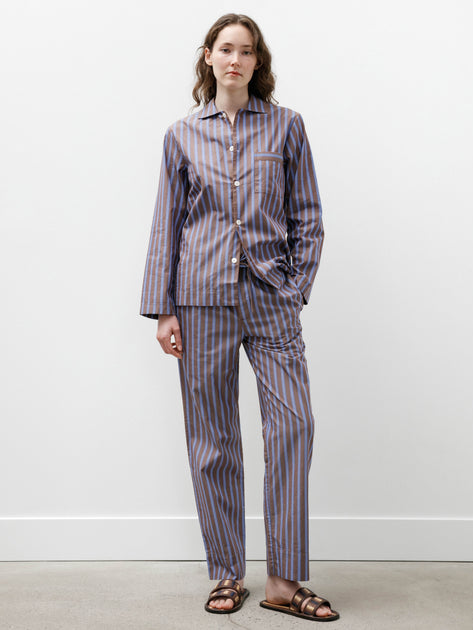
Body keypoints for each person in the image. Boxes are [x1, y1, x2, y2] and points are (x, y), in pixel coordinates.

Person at [139, 12, 339, 623]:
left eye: (246, 50)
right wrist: (163, 309)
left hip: (271, 298)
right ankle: (226, 572)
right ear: (208, 56)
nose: (235, 59)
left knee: (293, 426)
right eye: (226, 49)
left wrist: (296, 289)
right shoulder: (181, 135)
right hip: (200, 299)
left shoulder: (286, 126)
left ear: (258, 61)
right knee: (213, 439)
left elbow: (308, 214)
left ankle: (283, 581)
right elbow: (167, 224)